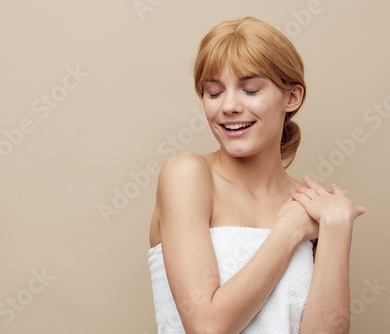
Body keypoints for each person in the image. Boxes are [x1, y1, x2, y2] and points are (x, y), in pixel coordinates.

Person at [148, 16, 365, 334]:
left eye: (250, 90)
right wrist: (288, 231)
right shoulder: (188, 176)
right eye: (214, 92)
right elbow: (207, 327)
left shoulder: (310, 206)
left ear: (291, 98)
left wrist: (337, 229)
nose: (229, 106)